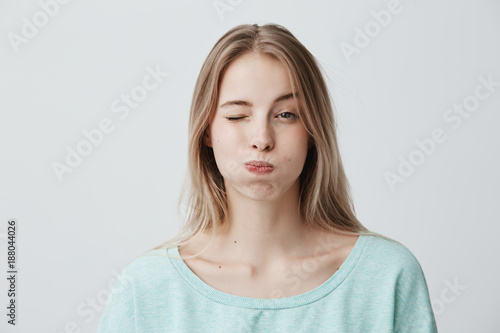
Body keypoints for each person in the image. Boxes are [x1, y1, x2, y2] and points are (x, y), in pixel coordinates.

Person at [97, 23, 438, 332]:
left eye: (286, 114)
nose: (261, 138)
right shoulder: (144, 290)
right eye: (237, 115)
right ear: (206, 131)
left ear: (314, 132)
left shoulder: (387, 278)